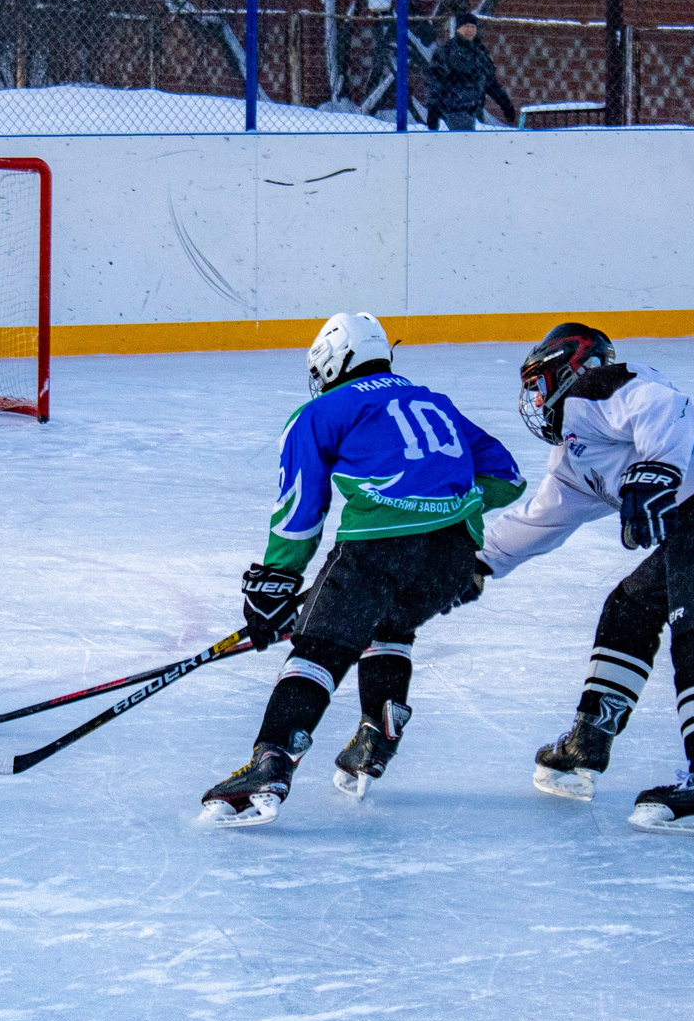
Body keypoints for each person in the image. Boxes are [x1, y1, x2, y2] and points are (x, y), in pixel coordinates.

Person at [201, 313, 526, 826]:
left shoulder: (323, 411)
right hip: (455, 554)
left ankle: (270, 764)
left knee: (321, 646)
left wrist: (277, 581)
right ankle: (378, 729)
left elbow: (300, 509)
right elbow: (508, 477)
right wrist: (443, 504)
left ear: (333, 360)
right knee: (389, 624)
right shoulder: (434, 401)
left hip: (378, 547)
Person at [480, 323, 694, 838]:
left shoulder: (595, 388)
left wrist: (656, 473)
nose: (534, 399)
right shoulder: (574, 460)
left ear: (569, 366)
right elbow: (533, 524)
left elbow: (664, 405)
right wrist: (470, 565)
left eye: (539, 382)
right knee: (629, 607)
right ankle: (588, 740)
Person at [423, 13, 517, 131]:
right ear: (458, 29)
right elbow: (435, 81)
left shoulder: (480, 53)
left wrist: (505, 104)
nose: (470, 30)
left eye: (473, 27)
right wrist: (433, 109)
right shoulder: (446, 52)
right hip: (453, 110)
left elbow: (491, 83)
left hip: (474, 110)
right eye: (466, 27)